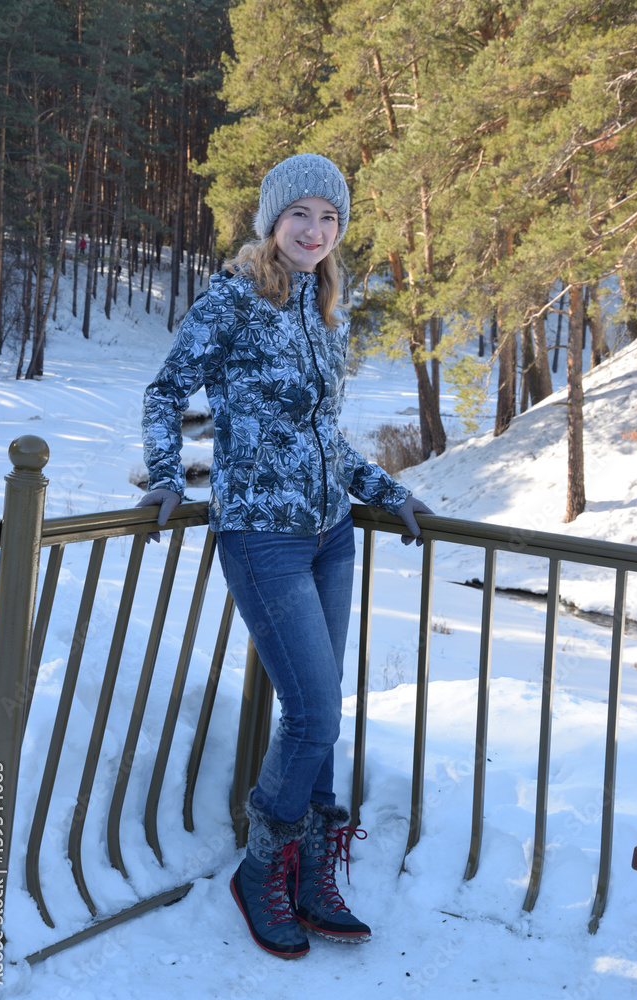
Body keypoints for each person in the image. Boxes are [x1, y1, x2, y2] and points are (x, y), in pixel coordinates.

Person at [138, 153, 434, 959]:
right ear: (272, 220)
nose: (315, 230)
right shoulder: (236, 299)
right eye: (300, 214)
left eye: (330, 218)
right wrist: (168, 477)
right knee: (313, 713)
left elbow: (323, 440)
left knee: (321, 710)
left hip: (330, 531)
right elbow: (166, 391)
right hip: (261, 537)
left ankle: (309, 871)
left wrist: (385, 488)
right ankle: (261, 867)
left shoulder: (322, 305)